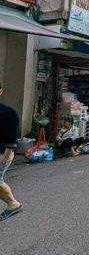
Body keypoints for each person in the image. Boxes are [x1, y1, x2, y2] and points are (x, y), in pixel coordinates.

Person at [0, 82, 23, 221]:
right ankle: (12, 204)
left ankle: (13, 203)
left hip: (2, 153)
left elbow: (11, 140)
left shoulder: (9, 112)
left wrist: (6, 157)